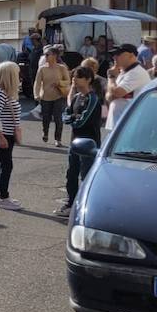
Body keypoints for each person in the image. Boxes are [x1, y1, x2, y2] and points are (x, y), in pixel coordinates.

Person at [56, 66, 104, 217]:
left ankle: (87, 207)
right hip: (74, 143)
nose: (74, 80)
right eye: (73, 77)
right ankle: (71, 203)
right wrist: (72, 118)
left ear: (88, 79)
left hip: (89, 145)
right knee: (71, 174)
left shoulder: (93, 99)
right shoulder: (77, 97)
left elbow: (82, 121)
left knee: (86, 176)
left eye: (78, 77)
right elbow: (66, 115)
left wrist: (73, 119)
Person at [0, 60, 24, 210]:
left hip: (4, 133)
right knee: (6, 165)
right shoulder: (0, 94)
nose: (18, 76)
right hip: (2, 134)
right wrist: (1, 137)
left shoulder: (3, 92)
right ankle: (3, 197)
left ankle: (1, 196)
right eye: (16, 73)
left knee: (3, 165)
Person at [106, 44, 151, 131]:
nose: (115, 57)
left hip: (129, 125)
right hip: (119, 123)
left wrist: (111, 77)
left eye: (118, 54)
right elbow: (108, 97)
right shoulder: (124, 72)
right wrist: (113, 89)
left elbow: (117, 92)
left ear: (131, 55)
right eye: (114, 55)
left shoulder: (136, 72)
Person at [34, 45, 72, 147]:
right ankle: (45, 132)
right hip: (45, 97)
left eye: (47, 54)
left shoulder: (62, 68)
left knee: (58, 118)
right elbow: (37, 83)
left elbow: (68, 81)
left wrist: (59, 83)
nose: (45, 56)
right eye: (44, 54)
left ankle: (58, 139)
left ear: (55, 56)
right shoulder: (42, 69)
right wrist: (36, 95)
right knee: (46, 118)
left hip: (59, 96)